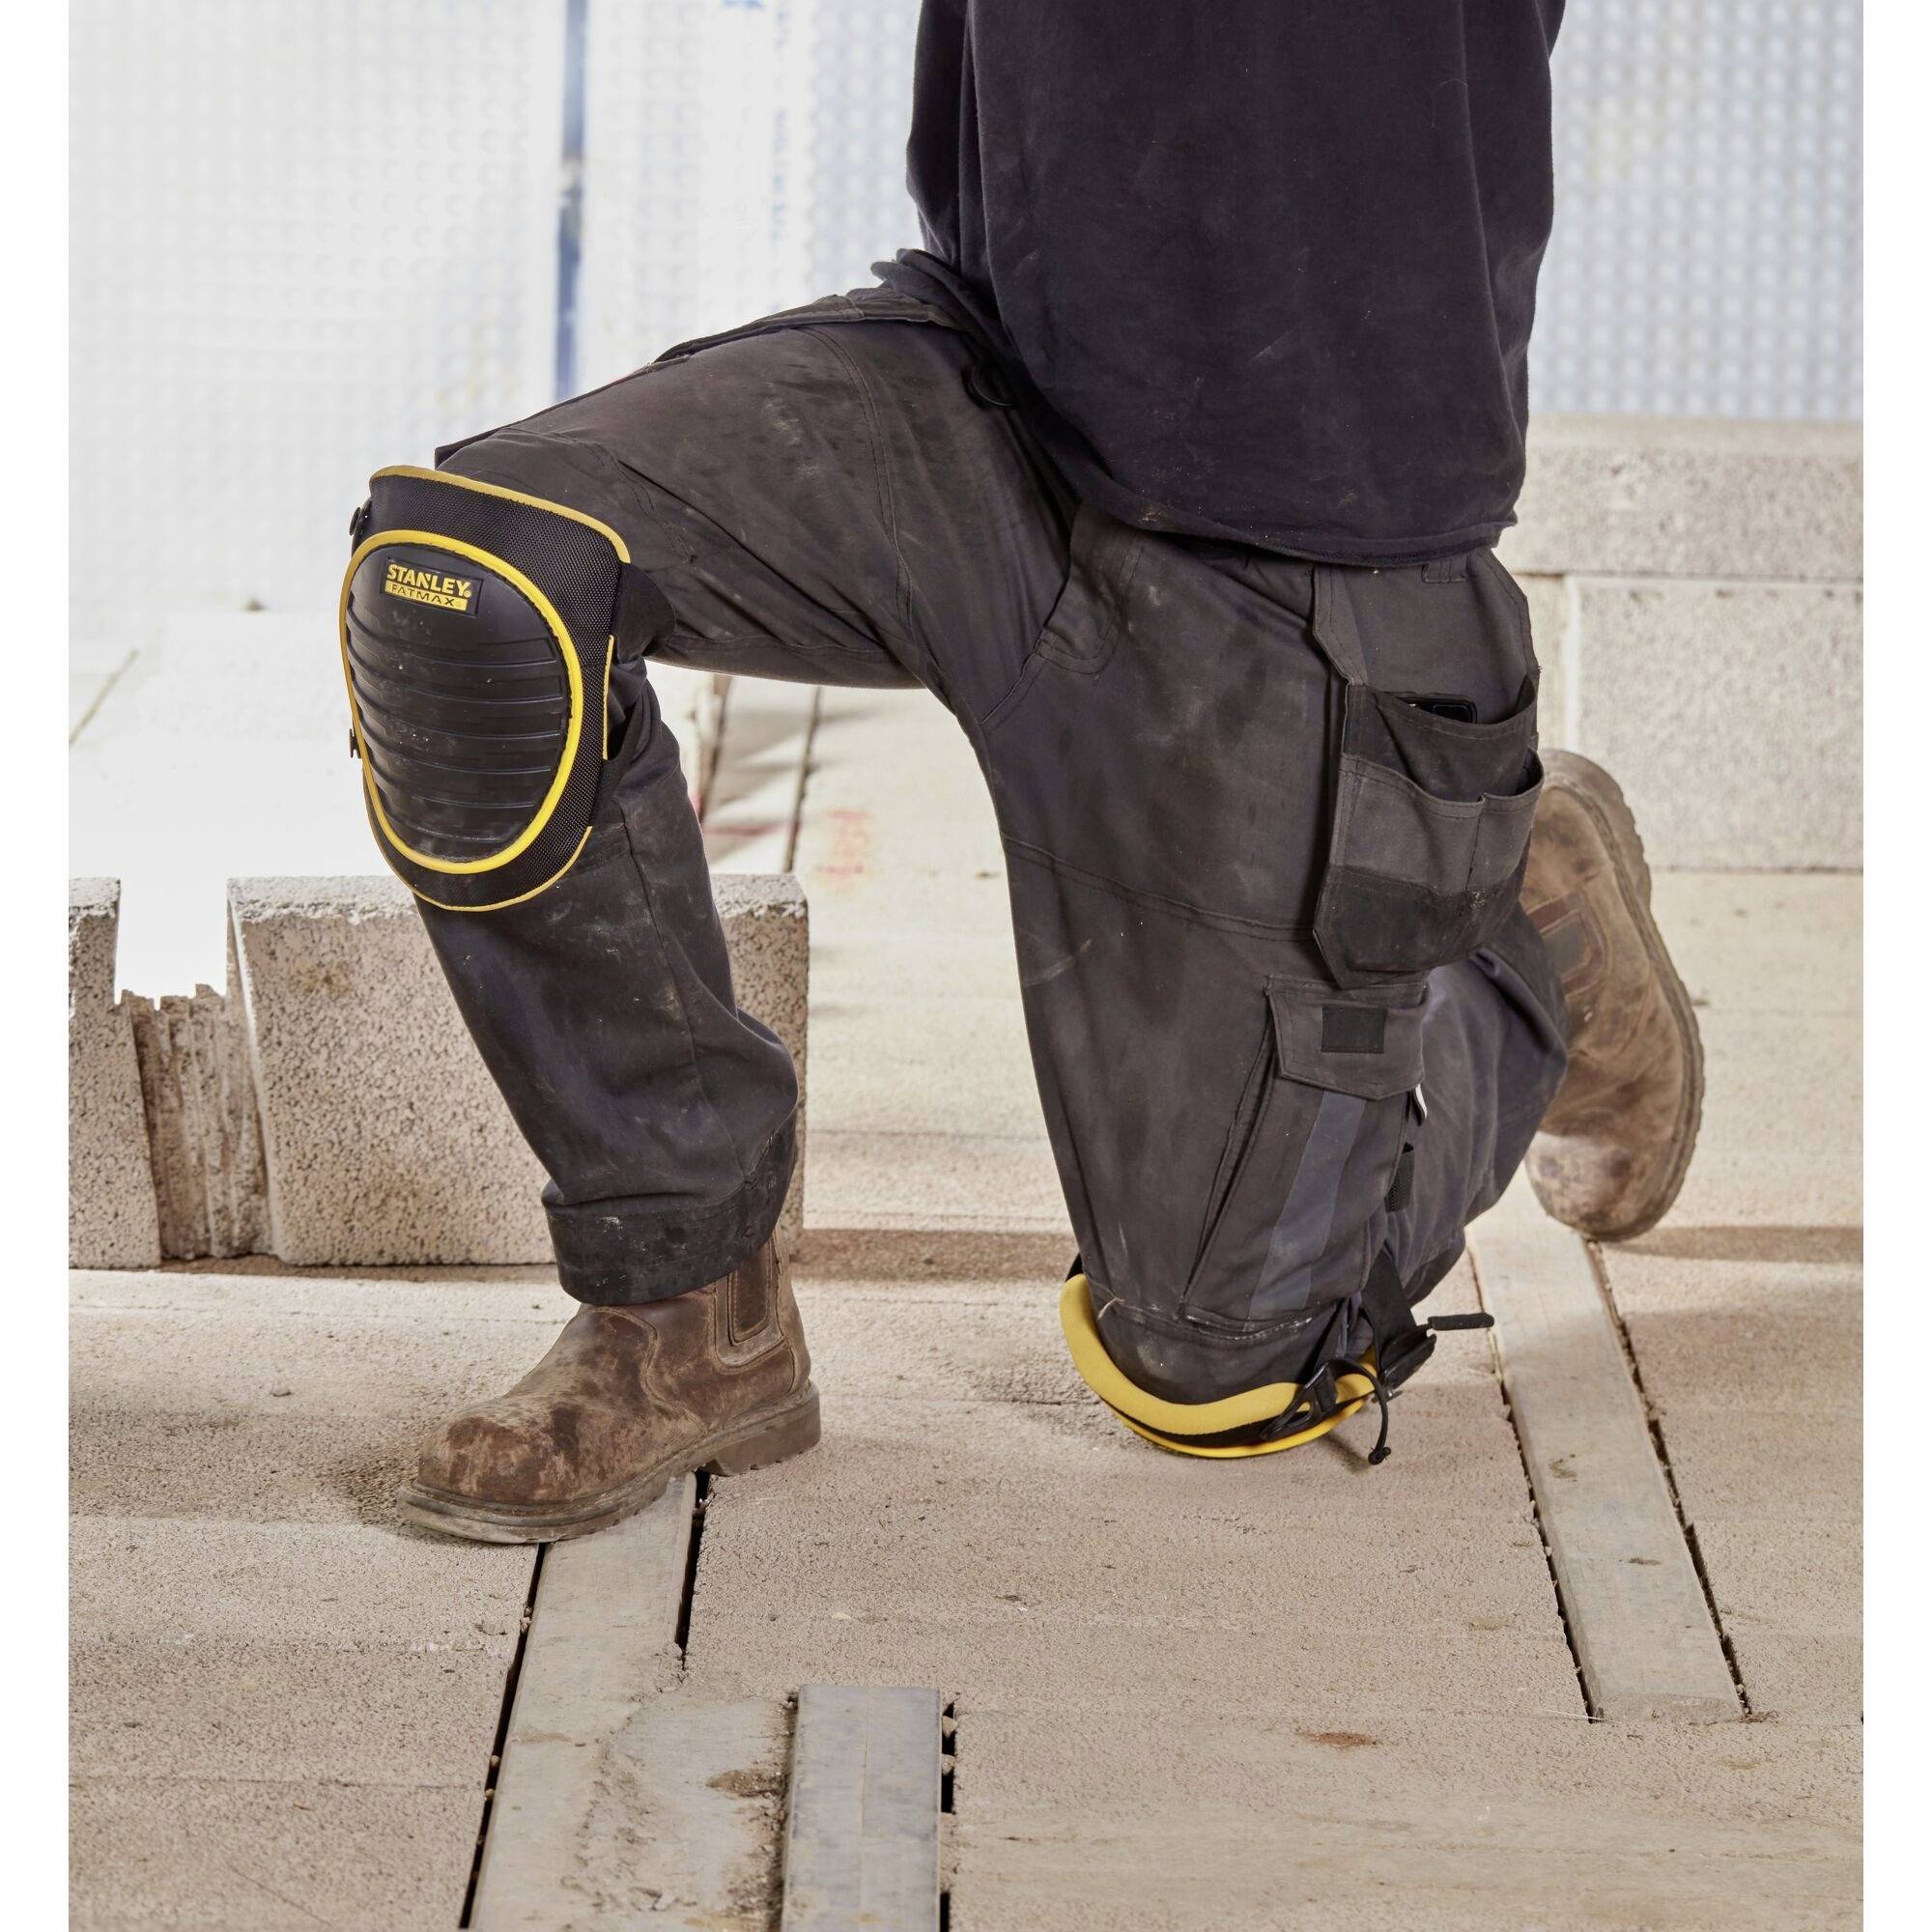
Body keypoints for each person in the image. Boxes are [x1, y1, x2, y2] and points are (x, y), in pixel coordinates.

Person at [338, 0, 1699, 1543]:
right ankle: (685, 1306)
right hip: (994, 388)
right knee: (473, 578)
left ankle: (1520, 945)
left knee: (1216, 1366)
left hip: (1312, 525)